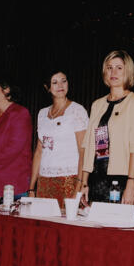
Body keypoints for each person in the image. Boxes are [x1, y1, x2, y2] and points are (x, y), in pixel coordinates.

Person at [80, 50, 134, 214]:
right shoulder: (98, 105)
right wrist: (84, 183)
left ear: (128, 71)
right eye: (109, 68)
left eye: (119, 68)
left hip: (123, 180)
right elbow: (89, 147)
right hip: (98, 178)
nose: (113, 72)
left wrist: (131, 184)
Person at [28, 70, 89, 207]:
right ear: (47, 88)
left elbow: (83, 151)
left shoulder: (77, 110)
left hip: (69, 179)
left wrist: (78, 186)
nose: (60, 85)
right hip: (44, 181)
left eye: (64, 80)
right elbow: (39, 152)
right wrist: (32, 187)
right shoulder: (42, 114)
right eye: (54, 82)